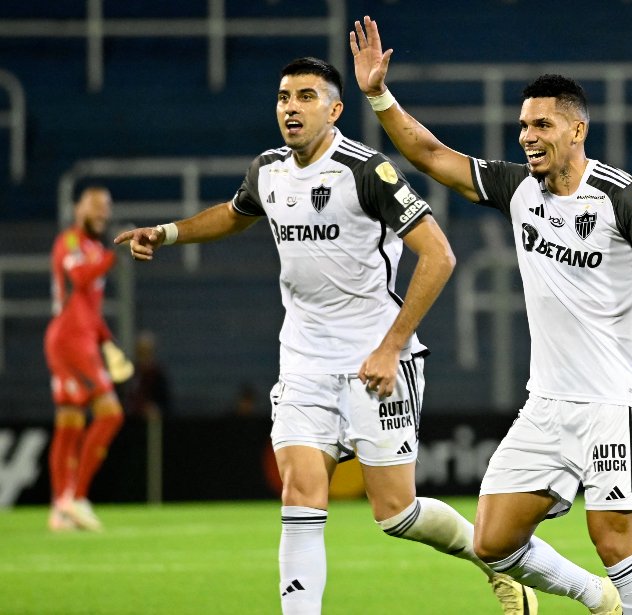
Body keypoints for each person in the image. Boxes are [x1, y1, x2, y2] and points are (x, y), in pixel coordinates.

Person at [115, 57, 536, 615]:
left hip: (376, 364)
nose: (291, 106)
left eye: (306, 97)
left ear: (335, 110)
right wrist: (167, 233)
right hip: (303, 364)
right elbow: (236, 214)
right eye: (284, 96)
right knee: (299, 498)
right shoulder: (267, 171)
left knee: (396, 514)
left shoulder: (368, 171)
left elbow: (440, 255)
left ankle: (496, 563)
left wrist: (390, 347)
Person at [351, 17, 632, 615]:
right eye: (522, 125)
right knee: (493, 541)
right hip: (545, 402)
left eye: (541, 124)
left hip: (610, 401)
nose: (526, 135)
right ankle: (595, 599)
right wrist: (377, 95)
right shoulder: (519, 189)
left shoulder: (623, 198)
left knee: (614, 541)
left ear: (577, 129)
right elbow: (428, 153)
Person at [46, 186, 132, 532]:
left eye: (106, 209)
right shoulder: (69, 242)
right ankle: (77, 497)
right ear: (78, 209)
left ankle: (60, 507)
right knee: (110, 413)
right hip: (69, 340)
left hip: (80, 339)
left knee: (69, 422)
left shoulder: (94, 249)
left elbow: (90, 311)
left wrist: (109, 344)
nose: (102, 214)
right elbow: (79, 278)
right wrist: (114, 256)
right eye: (95, 208)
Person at [124, 330, 171, 420]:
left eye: (147, 352)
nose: (144, 356)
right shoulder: (129, 373)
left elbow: (165, 404)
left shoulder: (158, 374)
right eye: (141, 352)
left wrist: (155, 409)